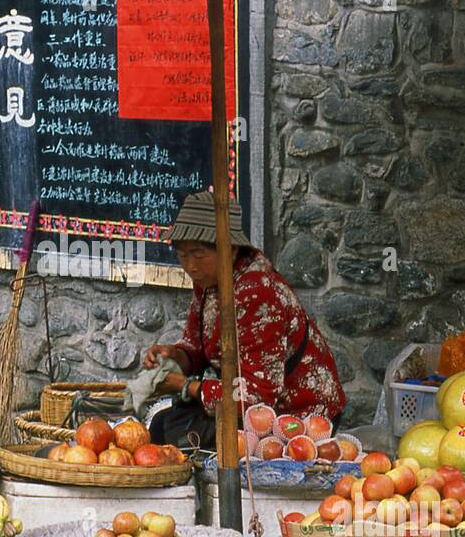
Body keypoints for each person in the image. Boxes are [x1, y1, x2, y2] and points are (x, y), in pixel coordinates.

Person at [143, 191, 345, 448]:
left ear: (231, 249)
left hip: (294, 415)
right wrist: (174, 355)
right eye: (183, 255)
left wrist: (188, 387)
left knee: (177, 436)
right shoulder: (208, 282)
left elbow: (258, 397)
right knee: (162, 425)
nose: (191, 266)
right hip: (241, 402)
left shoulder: (258, 293)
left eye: (199, 254)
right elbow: (197, 348)